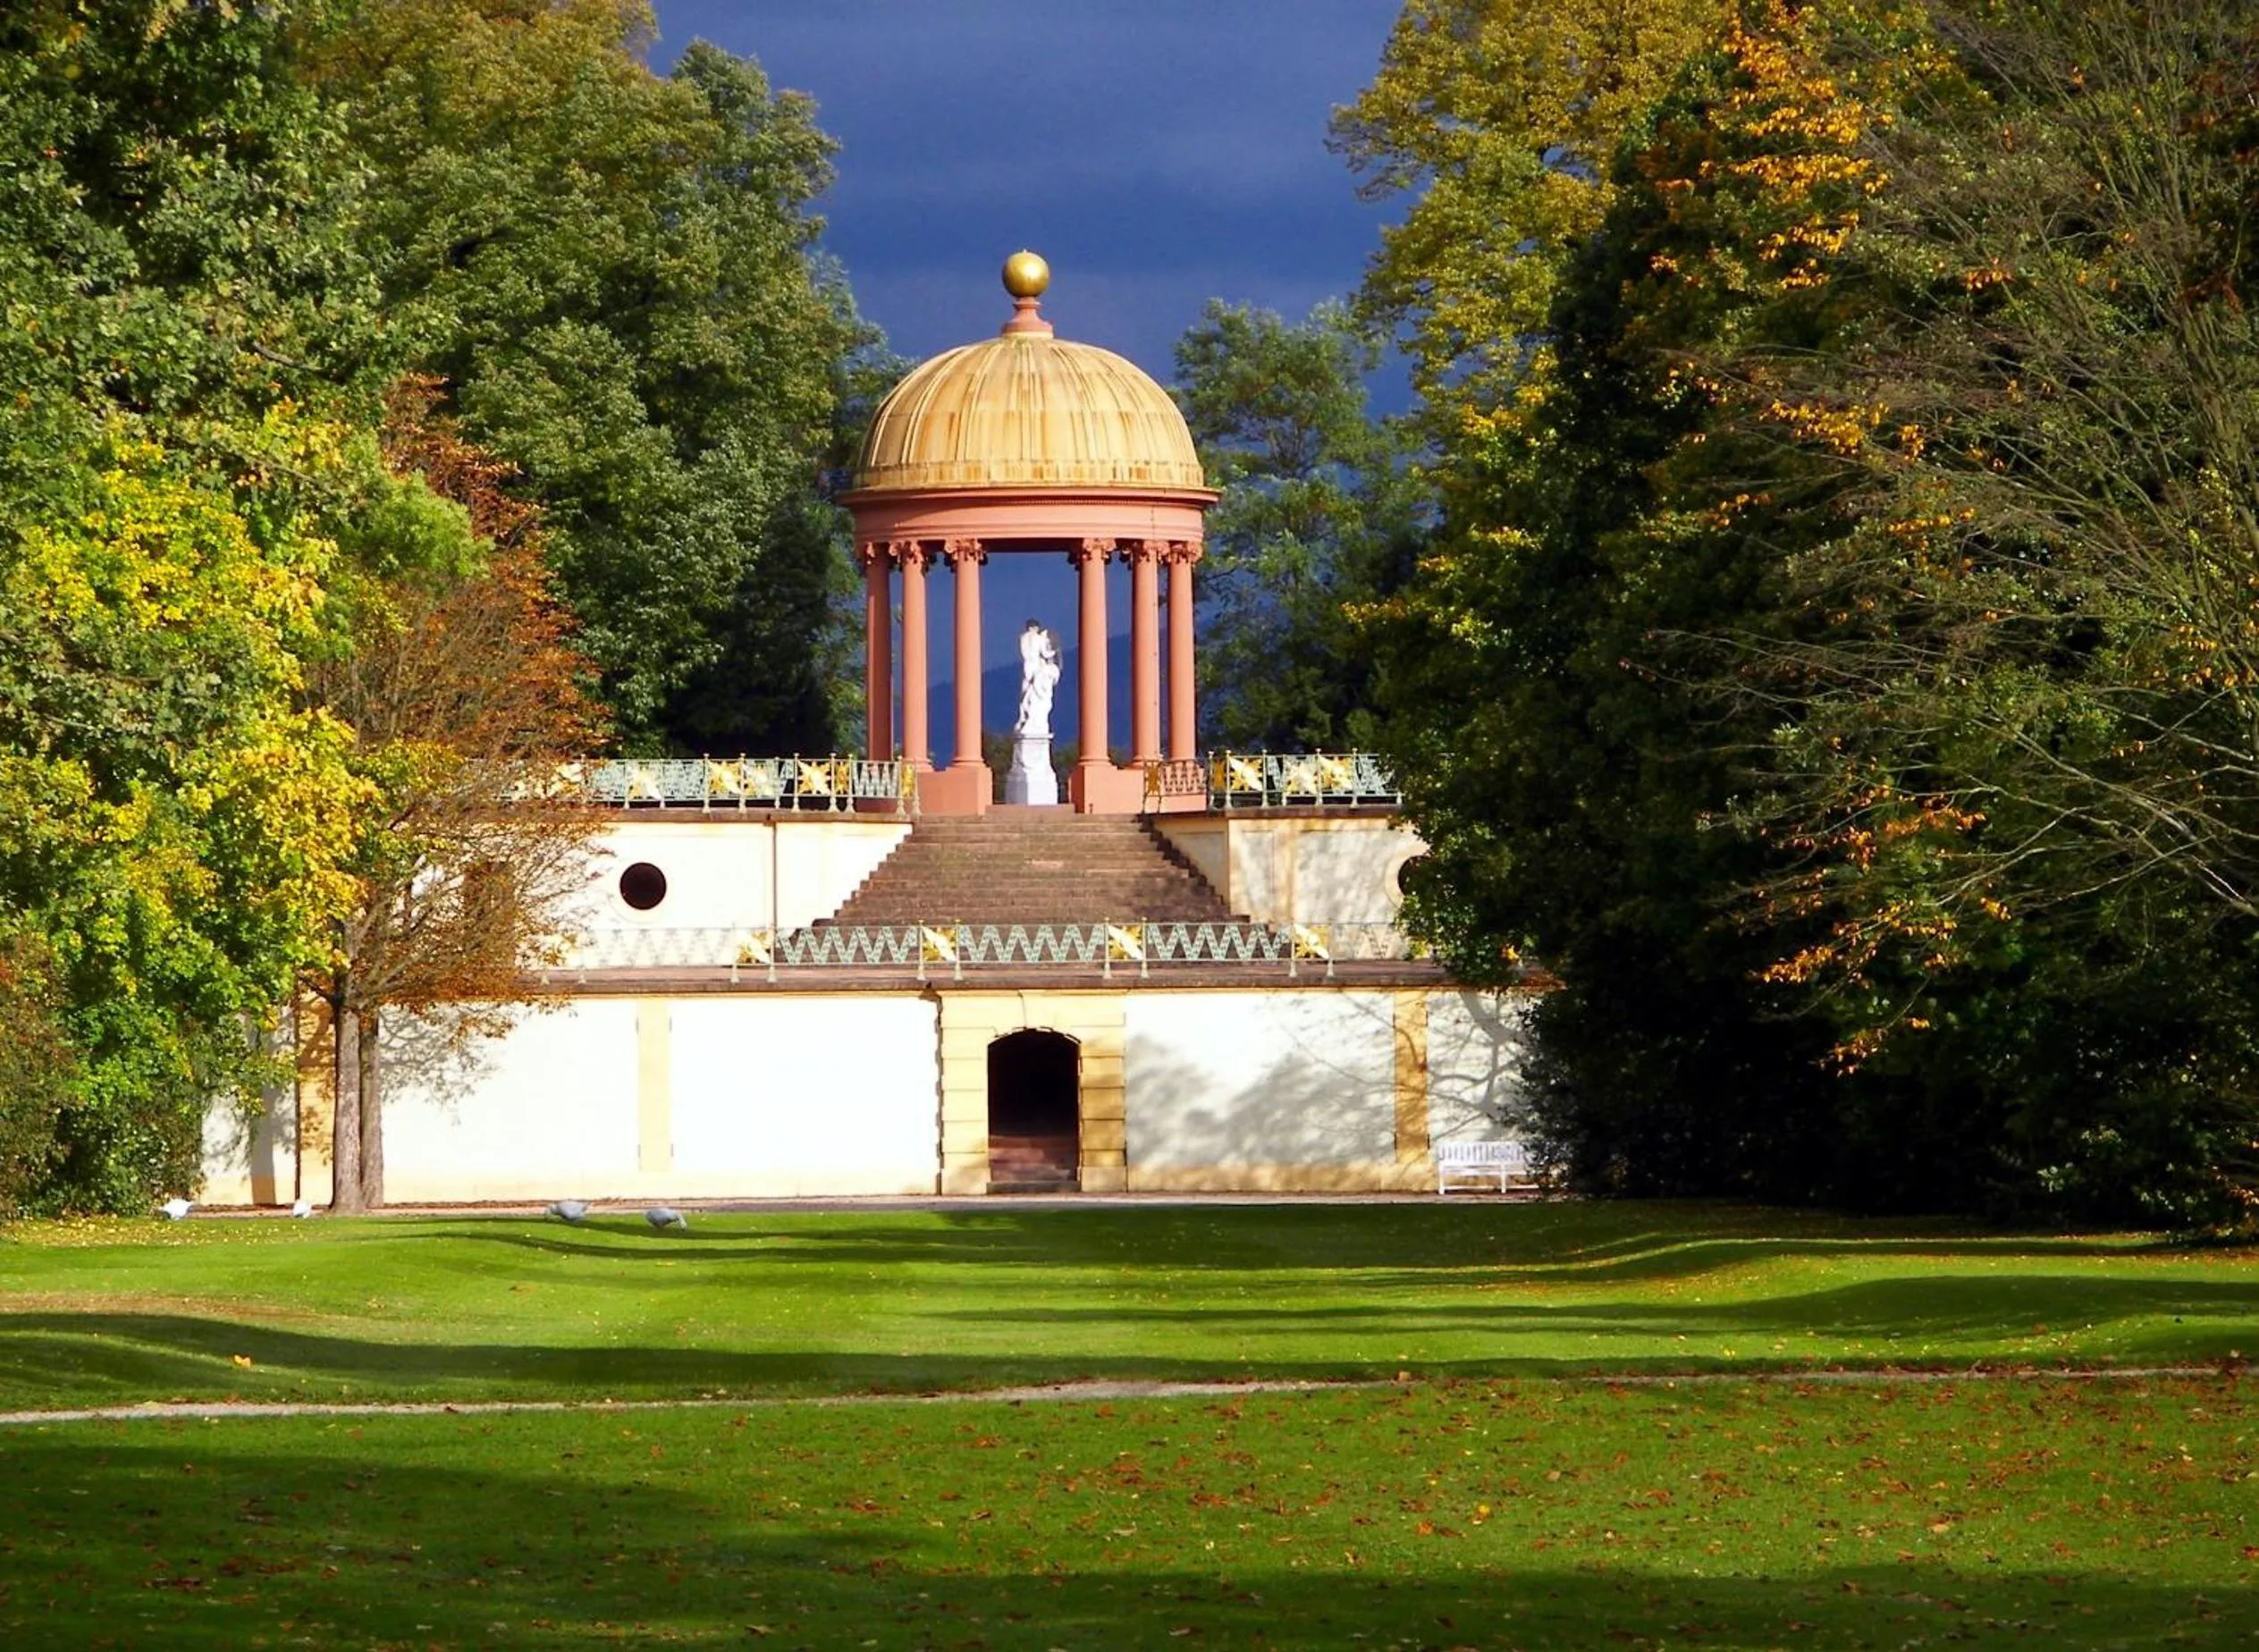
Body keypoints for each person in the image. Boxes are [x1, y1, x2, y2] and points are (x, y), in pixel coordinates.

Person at [1016, 620, 1060, 739]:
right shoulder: (1039, 639)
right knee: (1036, 691)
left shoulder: (1022, 638)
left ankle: (1023, 717)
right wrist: (1055, 651)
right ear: (1035, 628)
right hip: (1036, 665)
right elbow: (1045, 654)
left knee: (1025, 692)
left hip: (1027, 665)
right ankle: (1031, 718)